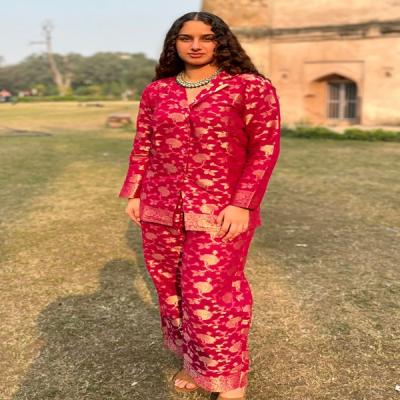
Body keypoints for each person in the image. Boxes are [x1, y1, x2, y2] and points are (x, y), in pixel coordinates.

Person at [119, 11, 281, 400]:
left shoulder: (249, 87)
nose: (195, 45)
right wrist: (135, 193)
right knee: (173, 289)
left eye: (206, 38)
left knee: (208, 292)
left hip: (221, 209)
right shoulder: (157, 91)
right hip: (160, 206)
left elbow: (265, 148)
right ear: (173, 43)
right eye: (186, 38)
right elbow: (144, 144)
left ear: (221, 41)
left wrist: (243, 204)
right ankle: (196, 364)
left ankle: (230, 380)